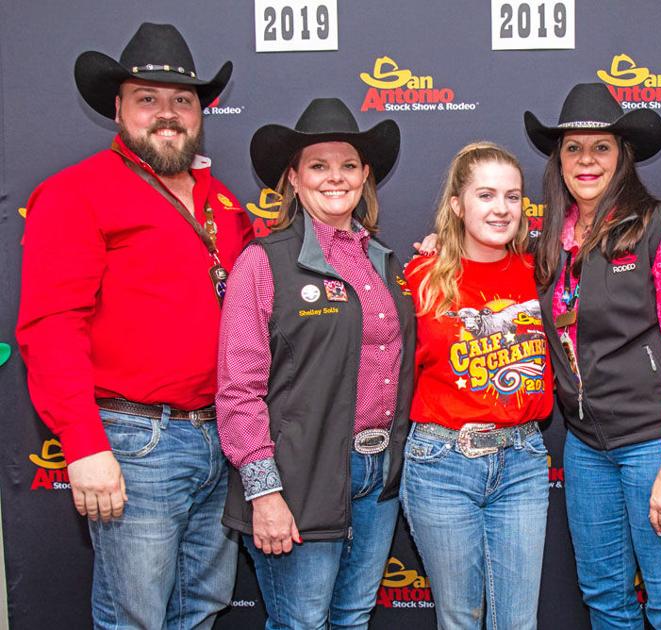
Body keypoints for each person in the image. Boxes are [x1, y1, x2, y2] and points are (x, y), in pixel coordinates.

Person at [15, 22, 250, 627]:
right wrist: (84, 443)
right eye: (147, 99)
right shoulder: (76, 193)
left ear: (201, 112)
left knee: (200, 607)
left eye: (182, 101)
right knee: (136, 617)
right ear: (118, 108)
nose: (166, 114)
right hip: (134, 439)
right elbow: (51, 325)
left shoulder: (221, 202)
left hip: (217, 438)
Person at [526, 83, 661, 629]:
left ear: (623, 156)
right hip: (589, 449)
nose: (586, 160)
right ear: (557, 160)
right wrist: (437, 246)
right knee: (605, 602)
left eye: (601, 147)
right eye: (573, 148)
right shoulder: (550, 239)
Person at [216, 97, 415, 629]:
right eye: (318, 166)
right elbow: (239, 389)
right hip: (298, 479)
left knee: (352, 618)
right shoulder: (262, 262)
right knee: (302, 623)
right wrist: (265, 492)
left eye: (348, 165)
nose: (336, 178)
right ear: (294, 178)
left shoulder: (385, 260)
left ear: (366, 175)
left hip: (377, 476)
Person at [401, 142, 554, 630]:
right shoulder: (420, 276)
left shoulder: (542, 272)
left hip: (524, 465)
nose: (501, 208)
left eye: (513, 197)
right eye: (485, 195)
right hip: (442, 465)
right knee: (460, 619)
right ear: (457, 205)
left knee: (517, 623)